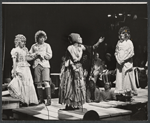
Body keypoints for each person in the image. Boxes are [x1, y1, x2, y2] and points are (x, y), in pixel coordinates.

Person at [59, 33, 104, 110]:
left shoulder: (81, 47)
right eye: (79, 37)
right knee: (70, 87)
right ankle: (69, 104)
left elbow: (92, 48)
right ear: (75, 39)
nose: (81, 38)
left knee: (78, 86)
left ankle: (75, 103)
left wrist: (98, 42)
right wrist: (74, 68)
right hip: (71, 69)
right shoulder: (70, 48)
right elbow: (69, 59)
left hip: (79, 67)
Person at [8, 34, 38, 106]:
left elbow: (27, 59)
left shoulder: (25, 49)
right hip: (19, 68)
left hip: (26, 68)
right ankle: (23, 100)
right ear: (18, 42)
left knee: (28, 83)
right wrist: (14, 70)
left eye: (24, 42)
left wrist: (35, 57)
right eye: (22, 41)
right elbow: (14, 62)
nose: (24, 43)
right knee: (21, 84)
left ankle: (29, 101)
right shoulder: (15, 50)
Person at [29, 30, 52, 106]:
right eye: (40, 38)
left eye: (43, 38)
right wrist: (36, 54)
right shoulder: (34, 46)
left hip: (45, 65)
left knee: (45, 82)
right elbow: (29, 55)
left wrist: (44, 55)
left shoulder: (47, 45)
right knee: (38, 83)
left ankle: (49, 100)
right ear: (37, 38)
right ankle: (41, 99)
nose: (42, 39)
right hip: (36, 65)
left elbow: (50, 55)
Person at [115, 26, 138, 95]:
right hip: (119, 63)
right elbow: (116, 52)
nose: (122, 35)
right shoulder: (118, 42)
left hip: (126, 63)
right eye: (121, 33)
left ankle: (127, 91)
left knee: (126, 77)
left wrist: (124, 60)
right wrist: (118, 59)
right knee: (120, 77)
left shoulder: (129, 42)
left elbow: (131, 53)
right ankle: (120, 91)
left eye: (123, 33)